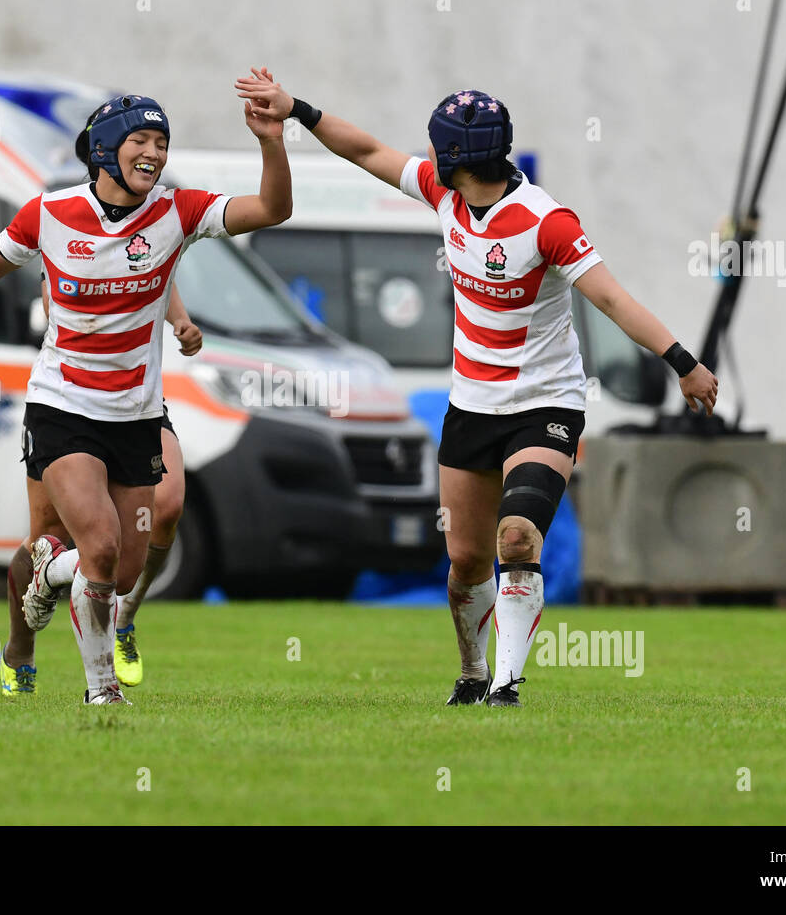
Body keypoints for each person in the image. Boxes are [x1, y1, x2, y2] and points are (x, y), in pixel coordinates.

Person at [236, 70, 717, 708]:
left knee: (517, 538)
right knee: (464, 562)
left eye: (436, 146)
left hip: (546, 405)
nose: (427, 155)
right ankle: (472, 670)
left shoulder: (546, 221)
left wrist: (681, 360)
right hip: (472, 407)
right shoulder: (445, 193)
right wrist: (296, 109)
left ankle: (507, 685)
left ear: (456, 156)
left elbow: (611, 297)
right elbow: (366, 150)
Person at [0, 87, 291, 705]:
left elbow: (272, 209)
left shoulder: (177, 212)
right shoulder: (48, 212)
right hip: (62, 407)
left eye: (161, 143)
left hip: (135, 415)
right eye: (141, 141)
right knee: (95, 547)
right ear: (104, 150)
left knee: (121, 569)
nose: (154, 153)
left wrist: (270, 141)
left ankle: (50, 576)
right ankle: (95, 689)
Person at [0, 278, 201, 696]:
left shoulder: (152, 221)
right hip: (69, 404)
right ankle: (19, 650)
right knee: (47, 536)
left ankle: (123, 617)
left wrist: (180, 320)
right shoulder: (65, 220)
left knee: (167, 505)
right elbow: (50, 295)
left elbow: (161, 265)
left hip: (136, 403)